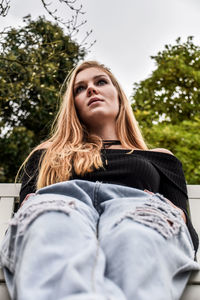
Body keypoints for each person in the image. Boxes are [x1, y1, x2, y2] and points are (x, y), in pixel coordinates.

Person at [0, 60, 199, 300]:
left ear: (119, 96)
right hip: (63, 204)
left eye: (100, 82)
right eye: (80, 88)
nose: (91, 89)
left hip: (137, 209)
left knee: (135, 237)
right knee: (52, 226)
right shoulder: (47, 153)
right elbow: (28, 210)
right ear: (73, 105)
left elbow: (184, 228)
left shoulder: (160, 158)